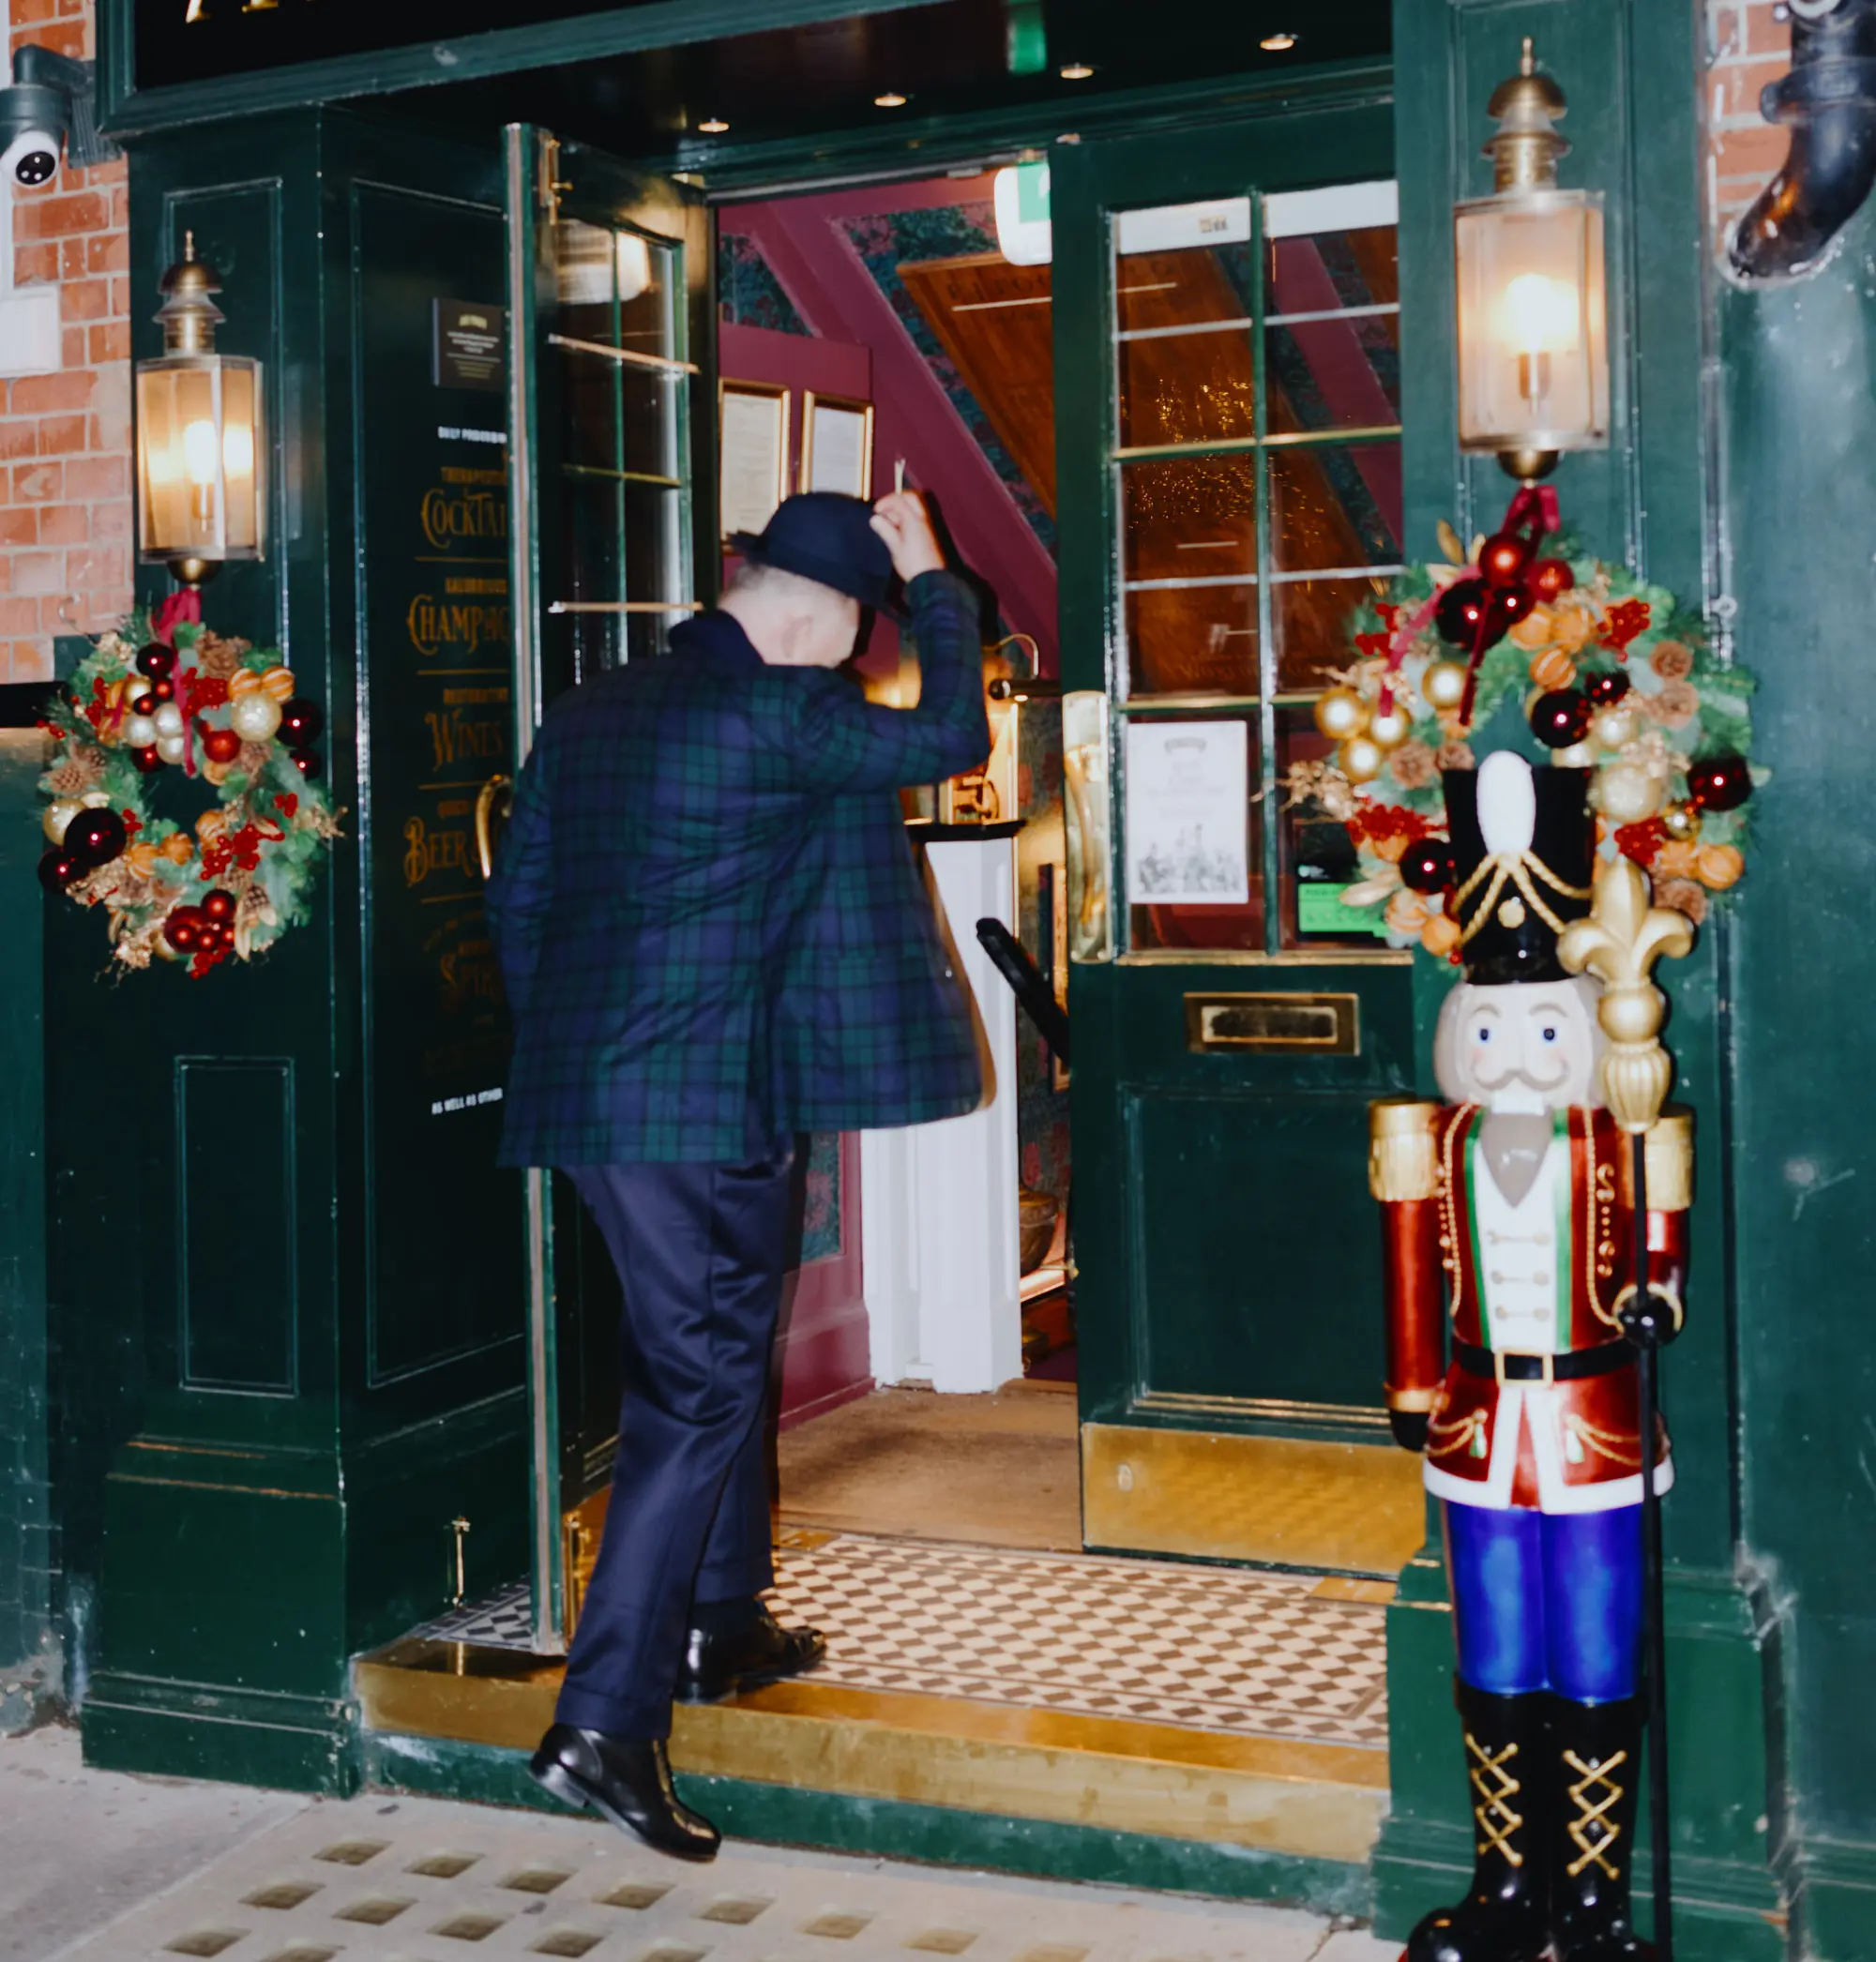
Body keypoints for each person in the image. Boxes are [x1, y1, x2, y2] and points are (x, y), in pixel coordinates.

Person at [485, 490, 989, 1862]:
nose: (853, 662)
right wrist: (936, 578)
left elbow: (518, 906)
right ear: (814, 612)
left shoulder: (590, 710)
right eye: (856, 636)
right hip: (698, 1111)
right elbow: (952, 732)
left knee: (712, 1357)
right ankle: (604, 1721)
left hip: (598, 1105)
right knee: (696, 1398)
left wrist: (586, 1060)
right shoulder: (779, 712)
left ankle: (721, 1618)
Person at [1369, 751, 1688, 1962]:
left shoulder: (1626, 1135)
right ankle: (1508, 1886)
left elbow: (1661, 1256)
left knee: (1599, 1654)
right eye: (1487, 1024)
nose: (1510, 1050)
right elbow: (1411, 1268)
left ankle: (1596, 1905)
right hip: (1473, 1423)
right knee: (1493, 1648)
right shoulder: (1429, 1138)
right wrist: (1410, 1383)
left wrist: (1657, 1295)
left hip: (1596, 1423)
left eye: (1539, 1025)